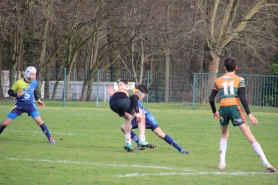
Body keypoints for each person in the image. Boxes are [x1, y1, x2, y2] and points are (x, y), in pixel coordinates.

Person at [209, 57, 276, 172]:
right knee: (250, 137)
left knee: (224, 135)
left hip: (223, 109)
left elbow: (211, 99)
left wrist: (215, 111)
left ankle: (221, 162)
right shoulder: (239, 79)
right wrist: (249, 114)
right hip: (234, 108)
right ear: (236, 68)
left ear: (224, 68)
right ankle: (266, 164)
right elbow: (242, 97)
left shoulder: (218, 80)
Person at [108, 79, 189, 154]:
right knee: (124, 127)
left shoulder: (129, 93)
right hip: (139, 115)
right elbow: (132, 100)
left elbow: (120, 98)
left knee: (160, 133)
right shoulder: (135, 94)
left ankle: (180, 149)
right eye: (144, 95)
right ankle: (140, 142)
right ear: (143, 93)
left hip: (147, 117)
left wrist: (112, 95)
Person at [0, 66, 56, 144]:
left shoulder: (34, 82)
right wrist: (17, 95)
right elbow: (10, 92)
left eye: (35, 74)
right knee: (5, 123)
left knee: (39, 121)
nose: (34, 76)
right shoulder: (19, 82)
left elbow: (33, 91)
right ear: (27, 74)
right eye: (32, 74)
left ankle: (50, 138)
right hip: (19, 106)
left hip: (30, 105)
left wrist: (38, 100)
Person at [109, 83, 154, 152]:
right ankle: (142, 140)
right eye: (144, 96)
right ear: (143, 93)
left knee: (128, 117)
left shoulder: (127, 90)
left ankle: (128, 143)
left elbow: (115, 95)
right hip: (122, 101)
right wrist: (137, 113)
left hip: (112, 104)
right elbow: (135, 99)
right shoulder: (138, 91)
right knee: (142, 115)